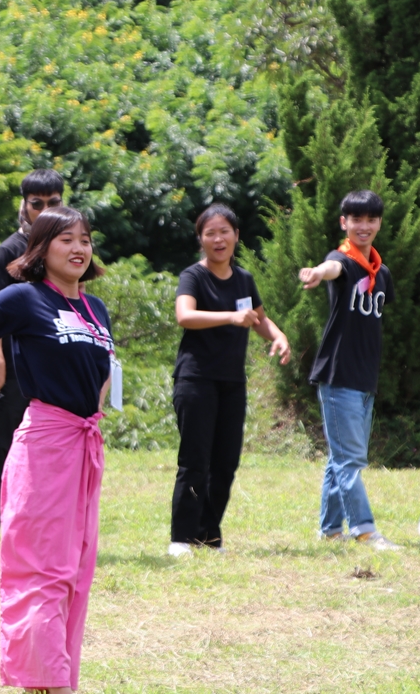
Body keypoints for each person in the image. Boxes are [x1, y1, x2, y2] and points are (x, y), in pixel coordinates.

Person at [0, 206, 112, 694]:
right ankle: (57, 689)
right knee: (44, 563)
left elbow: (104, 371)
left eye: (84, 240)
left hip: (84, 442)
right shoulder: (24, 297)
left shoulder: (96, 308)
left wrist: (97, 407)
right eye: (66, 240)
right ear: (41, 248)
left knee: (77, 564)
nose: (78, 249)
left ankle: (47, 674)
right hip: (45, 442)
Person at [169, 205, 290, 557]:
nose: (218, 239)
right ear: (201, 239)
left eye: (225, 231)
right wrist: (231, 317)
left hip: (232, 383)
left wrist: (278, 336)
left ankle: (208, 536)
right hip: (195, 380)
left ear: (236, 235)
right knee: (195, 461)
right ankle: (181, 538)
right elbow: (185, 315)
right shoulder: (193, 276)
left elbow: (259, 320)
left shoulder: (244, 279)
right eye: (210, 233)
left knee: (225, 464)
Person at [0, 169, 65, 559]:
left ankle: (33, 535)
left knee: (41, 455)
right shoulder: (10, 250)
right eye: (36, 203)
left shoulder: (64, 247)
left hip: (46, 372)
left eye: (52, 203)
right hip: (10, 368)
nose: (43, 210)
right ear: (24, 205)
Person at [299, 190, 399, 550]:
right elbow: (332, 269)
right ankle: (365, 529)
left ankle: (330, 529)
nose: (364, 226)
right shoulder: (343, 260)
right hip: (338, 374)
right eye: (356, 219)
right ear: (345, 223)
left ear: (379, 223)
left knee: (340, 457)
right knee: (351, 459)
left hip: (364, 378)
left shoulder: (381, 273)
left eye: (371, 219)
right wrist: (317, 273)